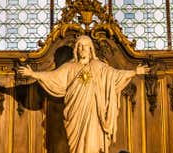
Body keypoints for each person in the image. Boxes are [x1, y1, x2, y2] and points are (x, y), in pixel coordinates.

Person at [17, 35, 149, 153]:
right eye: (79, 46)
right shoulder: (69, 67)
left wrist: (135, 72)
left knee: (92, 143)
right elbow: (53, 77)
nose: (82, 48)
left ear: (91, 49)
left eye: (85, 46)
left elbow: (115, 75)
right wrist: (33, 74)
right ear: (76, 49)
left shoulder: (99, 66)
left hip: (94, 115)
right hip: (75, 114)